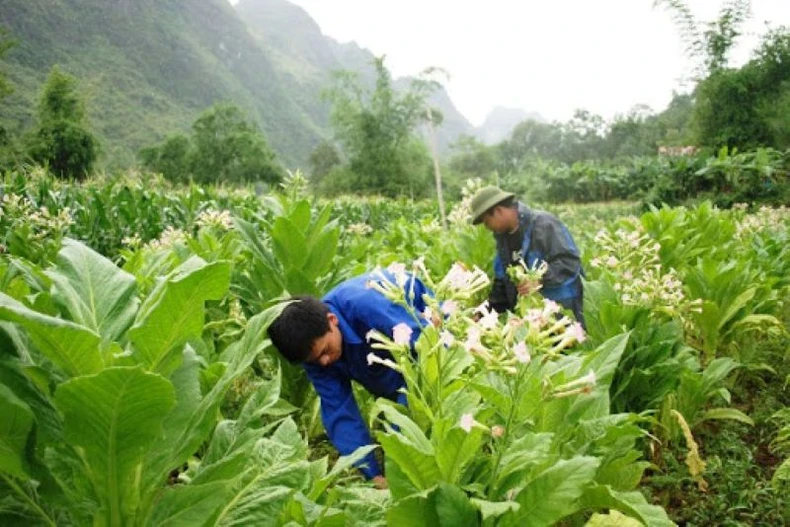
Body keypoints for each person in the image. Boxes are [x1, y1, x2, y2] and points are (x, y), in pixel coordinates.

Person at [267, 270, 431, 489]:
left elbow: (425, 354)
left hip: (421, 327)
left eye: (325, 351)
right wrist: (372, 474)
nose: (324, 362)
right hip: (382, 360)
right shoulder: (314, 353)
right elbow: (338, 410)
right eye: (315, 360)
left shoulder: (367, 306)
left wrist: (398, 461)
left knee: (420, 403)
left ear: (332, 320)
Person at [470, 185, 585, 327]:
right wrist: (483, 314)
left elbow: (569, 263)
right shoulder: (503, 240)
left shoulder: (545, 225)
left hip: (565, 311)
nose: (487, 228)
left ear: (498, 210)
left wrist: (539, 280)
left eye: (487, 222)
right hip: (533, 321)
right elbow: (502, 284)